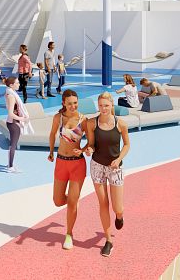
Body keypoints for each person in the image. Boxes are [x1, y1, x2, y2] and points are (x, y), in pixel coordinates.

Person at [86, 91, 130, 257]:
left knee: (117, 207)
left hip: (115, 168)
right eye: (100, 106)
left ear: (112, 105)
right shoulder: (92, 123)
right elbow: (91, 144)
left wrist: (118, 159)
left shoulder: (121, 124)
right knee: (103, 204)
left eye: (106, 105)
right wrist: (89, 149)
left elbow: (126, 145)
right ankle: (108, 240)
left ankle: (120, 216)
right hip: (97, 166)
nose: (103, 108)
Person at [48, 89, 92, 250]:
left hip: (77, 164)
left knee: (72, 201)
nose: (73, 106)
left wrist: (83, 149)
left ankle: (69, 233)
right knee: (58, 201)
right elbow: (52, 134)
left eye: (75, 102)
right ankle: (73, 203)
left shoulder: (83, 120)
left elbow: (91, 142)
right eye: (70, 103)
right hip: (60, 162)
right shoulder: (58, 118)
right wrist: (51, 151)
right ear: (63, 104)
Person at [4, 76, 30, 173]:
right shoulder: (11, 96)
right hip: (13, 123)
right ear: (11, 85)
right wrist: (22, 119)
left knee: (13, 145)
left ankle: (10, 163)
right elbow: (11, 113)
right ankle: (10, 167)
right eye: (17, 83)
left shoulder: (10, 93)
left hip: (12, 122)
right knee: (13, 145)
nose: (19, 84)